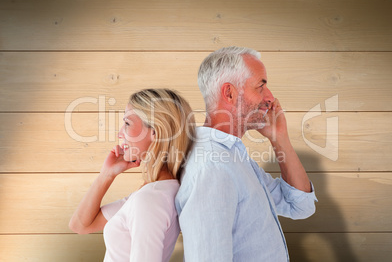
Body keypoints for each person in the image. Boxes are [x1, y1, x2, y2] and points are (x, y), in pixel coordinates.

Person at [175, 46, 318, 261]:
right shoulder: (212, 167)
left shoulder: (232, 156)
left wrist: (280, 140)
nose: (270, 98)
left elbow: (299, 206)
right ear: (229, 93)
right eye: (261, 86)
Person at [69, 89, 195, 262]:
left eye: (127, 123)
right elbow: (81, 225)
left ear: (155, 133)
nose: (120, 133)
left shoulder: (151, 198)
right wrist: (107, 175)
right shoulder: (156, 191)